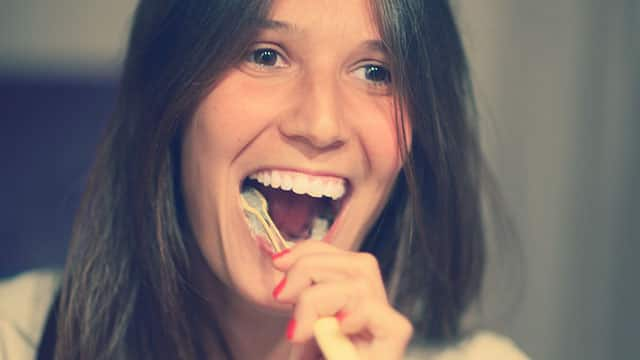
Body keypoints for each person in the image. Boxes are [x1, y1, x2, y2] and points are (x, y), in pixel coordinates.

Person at [0, 0, 528, 359]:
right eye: (266, 55)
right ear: (169, 97)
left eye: (375, 72)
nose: (321, 125)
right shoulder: (15, 334)